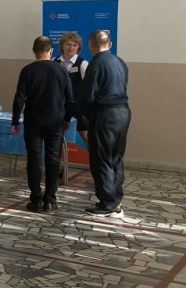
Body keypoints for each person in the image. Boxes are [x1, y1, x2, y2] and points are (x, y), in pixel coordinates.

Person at [10, 36, 74, 213]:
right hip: (55, 121)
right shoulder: (61, 70)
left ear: (34, 51)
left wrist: (15, 120)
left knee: (34, 159)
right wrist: (67, 119)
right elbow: (70, 99)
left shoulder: (27, 70)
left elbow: (19, 98)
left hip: (33, 121)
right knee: (53, 160)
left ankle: (36, 199)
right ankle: (50, 200)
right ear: (51, 51)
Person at [78, 30, 130, 218]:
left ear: (91, 44)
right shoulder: (120, 62)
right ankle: (116, 200)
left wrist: (84, 112)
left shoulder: (96, 64)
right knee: (116, 157)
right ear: (110, 44)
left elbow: (88, 93)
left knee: (101, 158)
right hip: (123, 112)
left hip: (105, 113)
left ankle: (108, 205)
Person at [54, 32, 89, 147]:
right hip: (58, 108)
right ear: (62, 46)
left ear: (78, 47)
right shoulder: (54, 61)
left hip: (77, 108)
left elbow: (88, 88)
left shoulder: (83, 64)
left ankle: (95, 159)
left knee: (88, 138)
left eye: (75, 45)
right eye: (68, 44)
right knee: (55, 140)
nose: (71, 48)